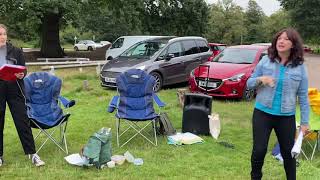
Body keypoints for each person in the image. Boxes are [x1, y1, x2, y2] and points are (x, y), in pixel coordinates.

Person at [247, 28, 309, 180]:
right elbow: (249, 84)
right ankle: (255, 177)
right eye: (279, 38)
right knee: (259, 150)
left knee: (288, 153)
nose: (281, 41)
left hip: (286, 117)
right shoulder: (265, 61)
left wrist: (304, 122)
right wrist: (261, 80)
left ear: (293, 45)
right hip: (262, 113)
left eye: (286, 39)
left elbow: (303, 96)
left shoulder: (300, 68)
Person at [0, 24, 45, 167]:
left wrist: (21, 74)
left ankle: (32, 154)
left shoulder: (16, 51)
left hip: (15, 88)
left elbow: (23, 70)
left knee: (22, 121)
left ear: (7, 35)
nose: (1, 37)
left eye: (3, 34)